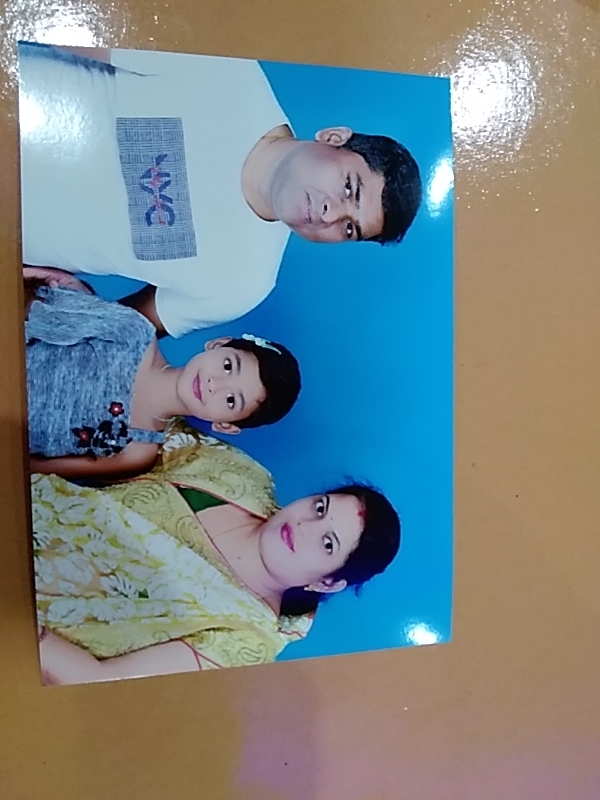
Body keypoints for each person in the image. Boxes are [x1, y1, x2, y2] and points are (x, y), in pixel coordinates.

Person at [18, 42, 423, 338]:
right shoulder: (228, 71)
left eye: (349, 229)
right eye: (349, 188)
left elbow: (118, 330)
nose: (330, 214)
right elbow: (64, 28)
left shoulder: (244, 285)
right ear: (333, 137)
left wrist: (68, 302)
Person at [33, 419, 401, 684]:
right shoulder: (242, 476)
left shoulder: (245, 640)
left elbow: (98, 680)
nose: (306, 525)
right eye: (320, 508)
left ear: (327, 582)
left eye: (327, 543)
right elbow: (141, 429)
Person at [26, 284, 301, 480]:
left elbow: (36, 468)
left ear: (224, 425)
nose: (215, 384)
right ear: (218, 344)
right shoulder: (133, 332)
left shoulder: (137, 451)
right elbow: (31, 311)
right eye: (228, 366)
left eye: (231, 400)